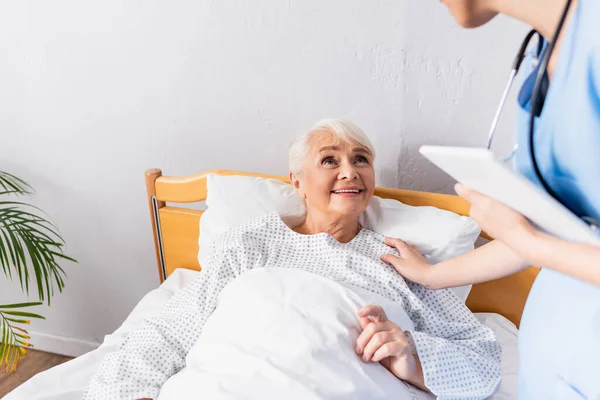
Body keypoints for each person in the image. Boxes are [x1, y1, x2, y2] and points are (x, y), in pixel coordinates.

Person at [82, 119, 501, 400]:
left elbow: (481, 359)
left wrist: (411, 355)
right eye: (329, 160)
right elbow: (174, 328)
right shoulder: (254, 244)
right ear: (297, 183)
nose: (350, 171)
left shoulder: (400, 261)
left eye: (361, 160)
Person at [383, 1, 600, 398]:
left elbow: (535, 241)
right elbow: (552, 231)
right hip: (554, 366)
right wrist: (431, 275)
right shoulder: (547, 52)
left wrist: (530, 242)